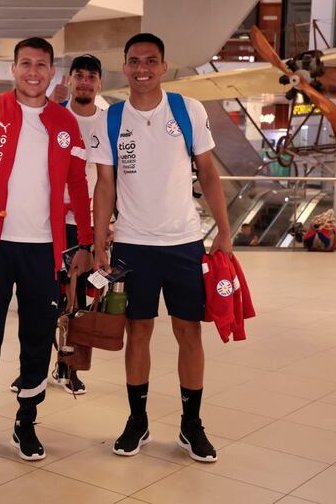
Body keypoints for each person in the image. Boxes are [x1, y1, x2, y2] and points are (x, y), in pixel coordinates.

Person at [0, 37, 93, 462]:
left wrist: (83, 242)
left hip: (43, 250)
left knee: (36, 337)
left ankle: (26, 420)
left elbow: (79, 185)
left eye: (41, 64)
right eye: (25, 63)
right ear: (13, 69)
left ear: (52, 72)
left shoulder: (66, 123)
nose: (33, 71)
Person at [90, 33, 233, 463]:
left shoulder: (188, 111)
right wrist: (99, 240)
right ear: (125, 67)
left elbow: (208, 173)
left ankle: (192, 425)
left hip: (184, 242)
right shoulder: (111, 119)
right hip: (133, 244)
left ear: (164, 66)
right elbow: (104, 185)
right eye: (134, 61)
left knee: (189, 331)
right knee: (139, 332)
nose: (142, 69)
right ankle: (138, 421)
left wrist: (224, 231)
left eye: (150, 61)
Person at [9, 54, 104, 396]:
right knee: (43, 301)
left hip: (86, 228)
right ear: (68, 79)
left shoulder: (106, 123)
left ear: (99, 84)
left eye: (91, 77)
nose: (84, 82)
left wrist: (102, 229)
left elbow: (110, 179)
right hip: (48, 226)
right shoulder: (52, 117)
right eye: (78, 75)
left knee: (80, 303)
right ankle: (30, 369)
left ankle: (71, 367)